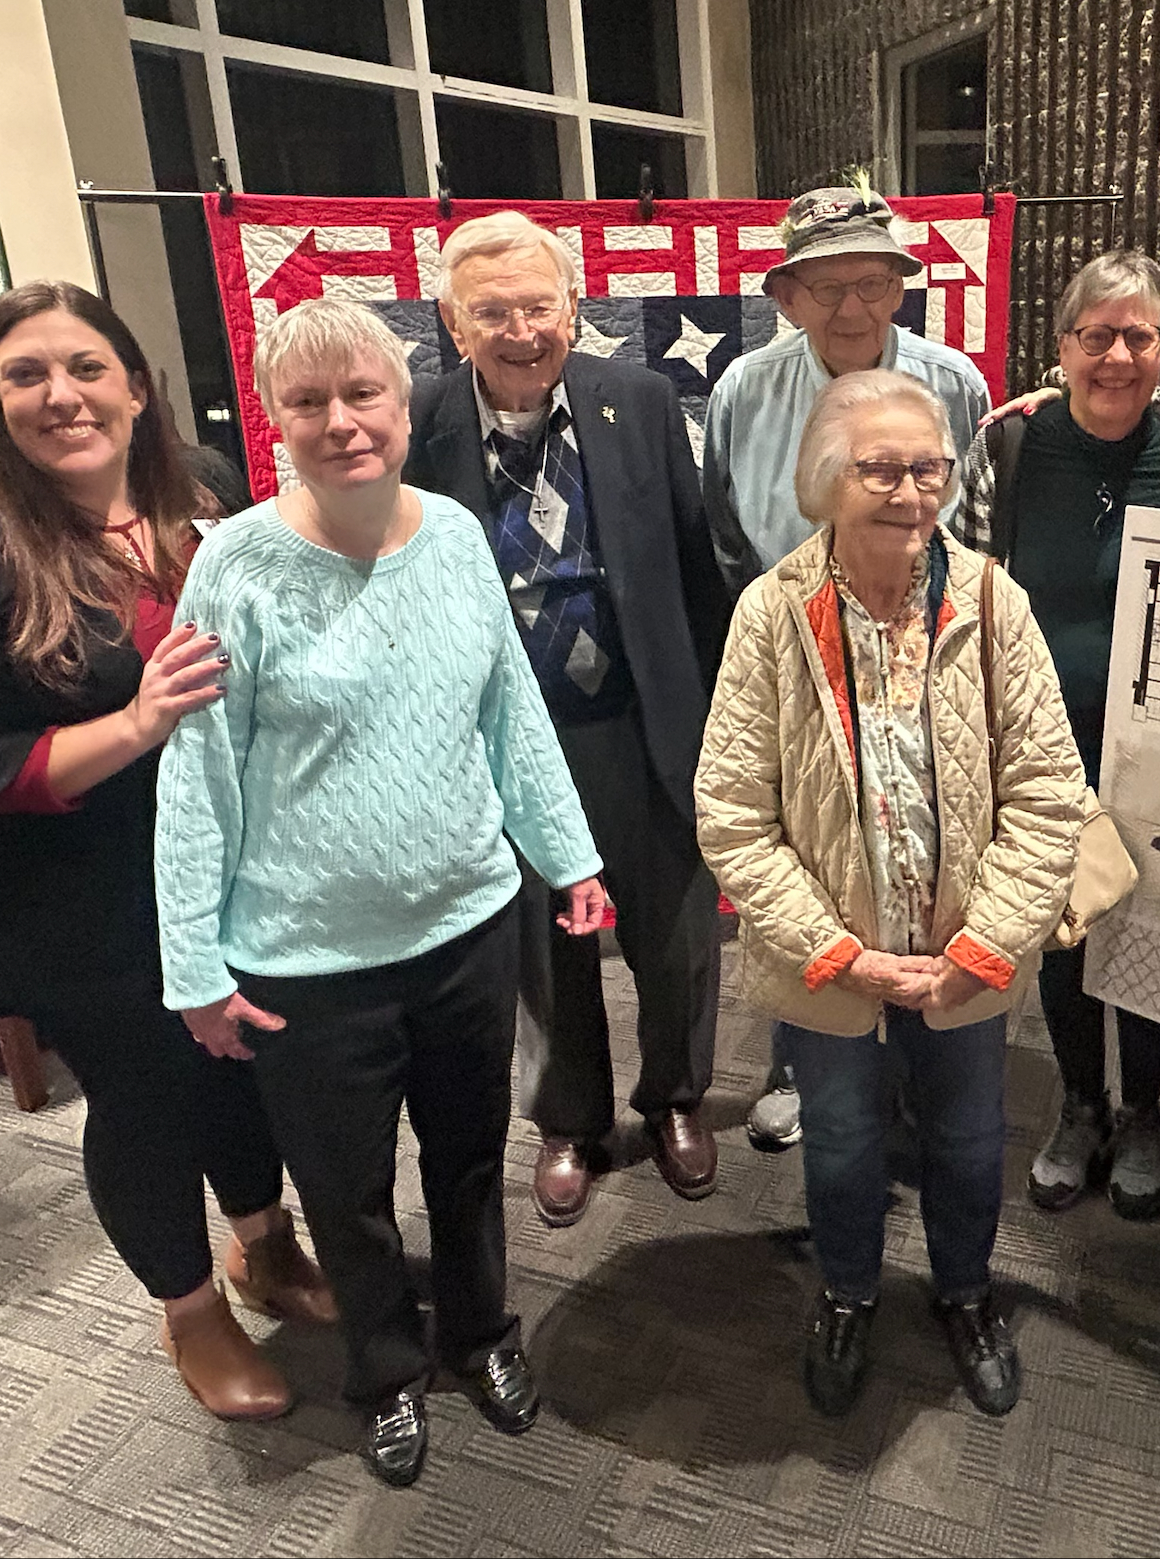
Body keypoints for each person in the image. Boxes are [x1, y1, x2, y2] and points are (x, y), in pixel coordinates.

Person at [0, 282, 333, 1423]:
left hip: (225, 872)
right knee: (148, 1099)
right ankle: (190, 1311)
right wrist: (135, 726)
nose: (61, 395)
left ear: (135, 383)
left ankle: (264, 1246)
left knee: (246, 1066)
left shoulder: (202, 492)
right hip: (73, 897)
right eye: (26, 375)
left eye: (85, 366)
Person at [157, 297, 608, 1488]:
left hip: (464, 926)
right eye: (308, 402)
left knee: (467, 1161)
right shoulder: (234, 564)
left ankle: (478, 1333)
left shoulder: (456, 534)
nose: (341, 422)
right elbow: (195, 776)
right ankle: (385, 1370)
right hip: (306, 960)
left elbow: (508, 705)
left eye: (363, 395)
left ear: (405, 408)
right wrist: (193, 966)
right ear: (273, 419)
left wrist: (569, 855)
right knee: (347, 1196)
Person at [696, 369, 1085, 1420]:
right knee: (840, 1138)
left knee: (966, 1139)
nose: (909, 490)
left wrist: (986, 940)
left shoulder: (995, 603)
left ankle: (964, 1293)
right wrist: (842, 954)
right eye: (879, 468)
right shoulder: (770, 615)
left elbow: (1051, 792)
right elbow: (732, 814)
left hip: (967, 950)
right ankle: (847, 1291)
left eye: (928, 467)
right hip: (832, 960)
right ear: (826, 479)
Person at [405, 211, 730, 1228]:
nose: (517, 329)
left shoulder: (637, 397)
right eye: (489, 311)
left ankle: (674, 1097)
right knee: (545, 942)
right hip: (511, 736)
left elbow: (695, 560)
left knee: (676, 934)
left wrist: (718, 715)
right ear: (453, 324)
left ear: (573, 309)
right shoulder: (415, 423)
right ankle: (566, 1118)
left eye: (536, 305)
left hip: (641, 723)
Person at [702, 180, 993, 1153]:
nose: (850, 309)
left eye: (870, 283)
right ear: (783, 297)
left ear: (901, 288)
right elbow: (723, 537)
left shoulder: (955, 384)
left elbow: (983, 530)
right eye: (824, 288)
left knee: (922, 865)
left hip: (923, 666)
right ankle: (798, 1058)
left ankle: (916, 1047)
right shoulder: (741, 390)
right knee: (807, 872)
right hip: (797, 665)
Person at [957, 251, 1160, 1221]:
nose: (1115, 354)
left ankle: (1144, 1113)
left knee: (1151, 931)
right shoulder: (1007, 449)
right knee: (1064, 931)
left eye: (1137, 335)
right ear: (1060, 345)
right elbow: (961, 588)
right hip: (1044, 743)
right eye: (1093, 335)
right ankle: (1080, 1104)